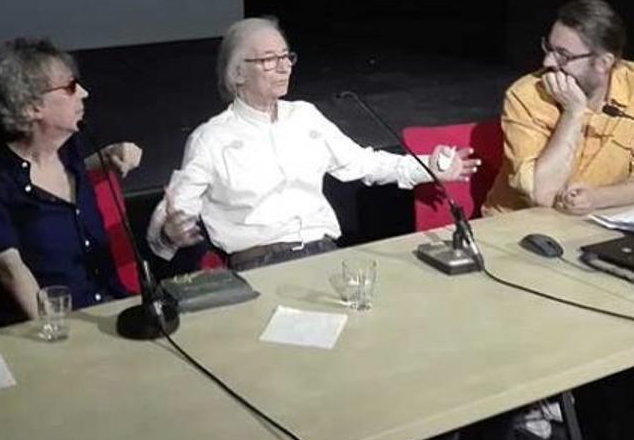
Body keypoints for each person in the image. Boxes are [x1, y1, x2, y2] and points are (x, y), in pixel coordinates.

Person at [148, 16, 480, 269]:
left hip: (325, 254)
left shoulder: (305, 117)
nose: (283, 67)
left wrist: (430, 167)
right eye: (268, 59)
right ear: (237, 74)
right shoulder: (211, 138)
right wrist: (168, 233)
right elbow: (176, 211)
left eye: (286, 56)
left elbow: (365, 163)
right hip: (260, 264)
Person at [0, 37, 142, 325]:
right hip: (50, 327)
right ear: (31, 107)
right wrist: (55, 330)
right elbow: (9, 267)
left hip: (109, 309)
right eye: (69, 88)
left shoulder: (69, 150)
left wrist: (108, 155)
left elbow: (65, 166)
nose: (84, 93)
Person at [483, 0, 634, 215]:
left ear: (603, 63)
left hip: (599, 218)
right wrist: (573, 113)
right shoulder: (525, 95)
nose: (548, 62)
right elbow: (542, 194)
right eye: (548, 47)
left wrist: (598, 198)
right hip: (520, 225)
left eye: (563, 55)